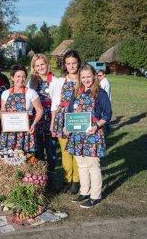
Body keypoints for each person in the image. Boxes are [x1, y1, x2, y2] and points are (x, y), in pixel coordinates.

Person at [67, 64, 112, 208]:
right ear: (80, 78)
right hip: (77, 135)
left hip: (92, 134)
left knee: (93, 165)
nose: (86, 80)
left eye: (88, 76)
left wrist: (97, 126)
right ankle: (84, 192)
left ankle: (95, 195)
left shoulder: (100, 93)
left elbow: (107, 114)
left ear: (94, 76)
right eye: (83, 77)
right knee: (81, 165)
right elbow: (69, 112)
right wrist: (67, 127)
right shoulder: (76, 92)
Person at [50, 50, 81, 195]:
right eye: (68, 63)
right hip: (62, 118)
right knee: (65, 151)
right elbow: (55, 103)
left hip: (78, 118)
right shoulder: (60, 81)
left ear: (78, 63)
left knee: (77, 151)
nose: (71, 66)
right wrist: (52, 123)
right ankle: (66, 180)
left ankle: (76, 181)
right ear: (65, 65)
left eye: (74, 63)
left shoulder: (83, 79)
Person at [0, 65, 43, 153]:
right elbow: (3, 111)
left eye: (23, 77)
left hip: (26, 130)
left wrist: (33, 124)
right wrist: (0, 114)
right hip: (10, 131)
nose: (21, 79)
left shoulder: (31, 93)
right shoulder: (5, 93)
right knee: (10, 156)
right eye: (18, 76)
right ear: (12, 77)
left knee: (25, 156)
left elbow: (40, 110)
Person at [27, 54, 58, 175]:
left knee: (50, 149)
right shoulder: (32, 81)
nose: (40, 67)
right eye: (37, 66)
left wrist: (53, 123)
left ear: (47, 64)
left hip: (50, 117)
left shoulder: (55, 81)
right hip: (37, 118)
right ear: (34, 68)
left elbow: (56, 103)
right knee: (38, 149)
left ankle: (51, 177)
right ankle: (40, 176)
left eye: (42, 64)